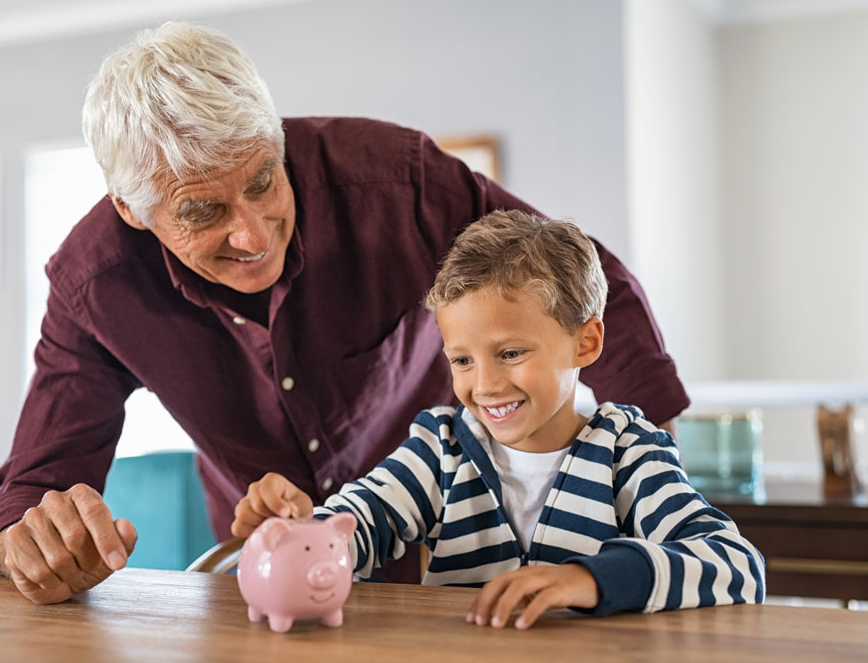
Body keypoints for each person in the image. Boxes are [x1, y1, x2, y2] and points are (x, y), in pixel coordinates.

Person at [0, 22, 690, 604]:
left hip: (453, 555)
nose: (254, 233)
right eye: (204, 211)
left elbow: (589, 282)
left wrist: (642, 471)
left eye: (264, 181)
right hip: (271, 569)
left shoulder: (395, 183)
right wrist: (29, 541)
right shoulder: (94, 283)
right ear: (131, 210)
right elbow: (31, 488)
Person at [233, 210, 764, 629]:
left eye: (511, 353)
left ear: (586, 341)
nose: (483, 386)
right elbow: (361, 520)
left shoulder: (630, 452)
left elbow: (737, 564)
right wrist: (300, 534)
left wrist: (592, 580)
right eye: (462, 360)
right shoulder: (440, 449)